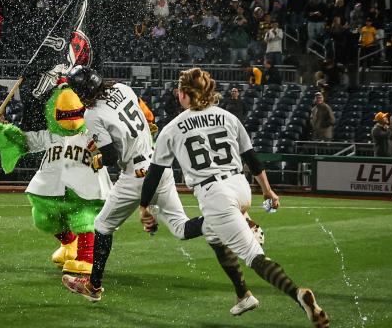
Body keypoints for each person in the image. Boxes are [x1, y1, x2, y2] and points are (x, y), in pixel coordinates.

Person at [138, 68, 329, 327]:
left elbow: (154, 173)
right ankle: (243, 294)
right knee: (216, 236)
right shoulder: (228, 116)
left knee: (254, 256)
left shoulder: (172, 128)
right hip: (240, 185)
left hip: (214, 193)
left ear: (183, 95)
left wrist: (143, 206)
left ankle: (298, 295)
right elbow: (251, 158)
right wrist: (268, 190)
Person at [62, 67, 255, 311]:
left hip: (135, 175)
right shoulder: (122, 88)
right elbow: (145, 117)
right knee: (181, 228)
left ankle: (94, 287)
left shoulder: (91, 114)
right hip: (158, 166)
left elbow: (110, 157)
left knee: (102, 226)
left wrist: (95, 151)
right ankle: (231, 218)